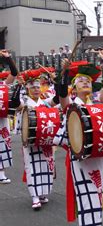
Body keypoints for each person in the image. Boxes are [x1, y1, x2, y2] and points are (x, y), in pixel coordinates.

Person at [55, 53, 103, 226]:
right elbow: (61, 91)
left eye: (89, 80)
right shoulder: (70, 105)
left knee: (95, 196)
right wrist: (63, 72)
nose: (86, 82)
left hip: (99, 156)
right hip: (79, 158)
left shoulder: (99, 101)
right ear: (74, 87)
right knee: (87, 197)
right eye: (81, 80)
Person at [11, 69, 59, 210]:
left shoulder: (45, 102)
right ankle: (34, 196)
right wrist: (18, 85)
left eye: (38, 87)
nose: (36, 90)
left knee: (46, 167)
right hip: (30, 141)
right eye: (33, 87)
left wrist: (56, 82)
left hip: (45, 141)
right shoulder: (25, 103)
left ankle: (43, 193)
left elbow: (57, 99)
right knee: (32, 167)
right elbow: (14, 102)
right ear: (28, 89)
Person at [0, 51, 18, 184]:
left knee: (2, 146)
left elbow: (14, 73)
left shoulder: (3, 86)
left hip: (2, 121)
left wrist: (8, 58)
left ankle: (1, 172)